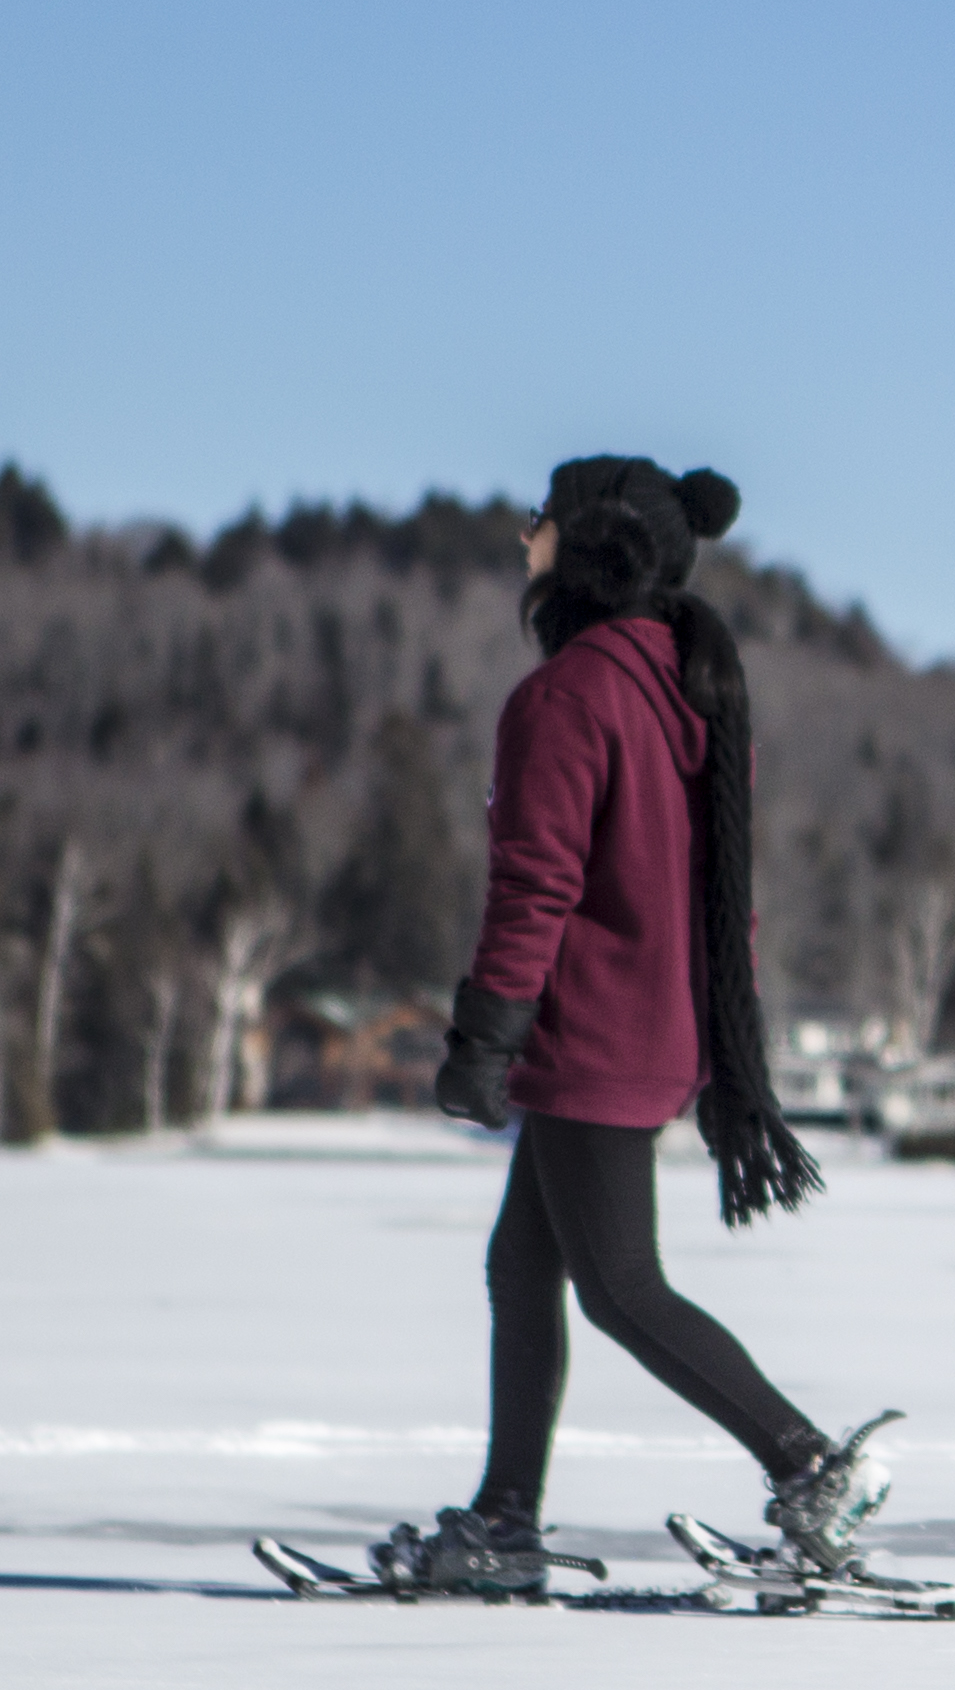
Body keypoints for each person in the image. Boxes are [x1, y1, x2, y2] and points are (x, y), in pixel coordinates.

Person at [374, 455, 877, 1596]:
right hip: (659, 1026)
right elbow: (725, 898)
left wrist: (485, 1036)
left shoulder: (566, 696)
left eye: (541, 517)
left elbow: (534, 884)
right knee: (520, 1268)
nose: (523, 533)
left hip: (589, 1033)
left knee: (618, 1287)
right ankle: (504, 1518)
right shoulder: (685, 682)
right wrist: (718, 1045)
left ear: (586, 544)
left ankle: (807, 1466)